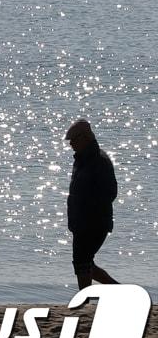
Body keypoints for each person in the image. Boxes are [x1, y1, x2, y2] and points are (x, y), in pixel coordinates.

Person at [66, 119, 119, 288]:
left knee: (82, 263)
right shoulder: (81, 159)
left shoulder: (99, 161)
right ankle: (121, 292)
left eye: (73, 140)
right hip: (80, 222)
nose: (71, 144)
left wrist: (89, 210)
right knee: (86, 264)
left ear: (85, 138)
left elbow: (111, 192)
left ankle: (84, 302)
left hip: (94, 223)